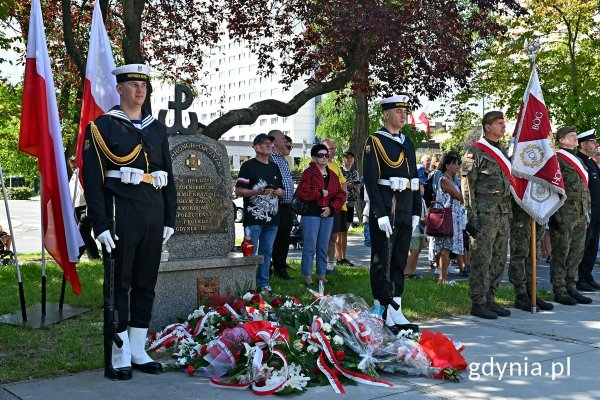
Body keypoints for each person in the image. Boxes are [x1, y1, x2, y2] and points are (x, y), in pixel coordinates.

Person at [82, 64, 177, 380]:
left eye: (143, 85)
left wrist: (169, 217)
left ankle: (138, 348)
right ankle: (119, 351)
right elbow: (93, 179)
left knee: (145, 283)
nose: (139, 90)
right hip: (119, 211)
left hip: (152, 211)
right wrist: (100, 224)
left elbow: (169, 176)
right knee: (119, 283)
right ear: (119, 88)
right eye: (133, 84)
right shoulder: (103, 126)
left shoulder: (156, 127)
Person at [363, 94, 421, 331]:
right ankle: (381, 308)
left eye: (405, 111)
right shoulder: (375, 142)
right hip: (388, 207)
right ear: (386, 114)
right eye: (398, 111)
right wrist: (380, 213)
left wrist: (417, 208)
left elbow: (414, 178)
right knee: (382, 259)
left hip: (406, 207)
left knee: (399, 258)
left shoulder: (407, 142)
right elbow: (371, 179)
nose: (403, 114)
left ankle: (396, 308)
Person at [462, 111, 512, 320]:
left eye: (503, 123)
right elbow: (467, 186)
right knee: (483, 259)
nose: (503, 127)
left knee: (499, 259)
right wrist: (471, 216)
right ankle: (479, 302)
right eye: (499, 123)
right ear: (487, 126)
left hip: (502, 214)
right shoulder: (474, 151)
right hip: (484, 214)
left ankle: (490, 299)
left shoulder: (501, 150)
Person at [235, 133, 283, 292]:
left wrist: (278, 192)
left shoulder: (274, 166)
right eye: (265, 143)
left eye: (270, 142)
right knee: (249, 252)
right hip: (253, 218)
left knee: (267, 252)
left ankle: (263, 283)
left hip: (273, 218)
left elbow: (281, 190)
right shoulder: (248, 166)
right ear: (256, 148)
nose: (269, 145)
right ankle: (246, 284)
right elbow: (239, 190)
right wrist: (258, 193)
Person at [549, 126, 592, 305]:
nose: (575, 138)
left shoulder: (579, 160)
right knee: (562, 252)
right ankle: (559, 289)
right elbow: (553, 187)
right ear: (562, 140)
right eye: (571, 136)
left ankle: (571, 286)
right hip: (565, 211)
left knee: (576, 252)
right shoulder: (557, 159)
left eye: (576, 136)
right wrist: (554, 213)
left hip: (581, 212)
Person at [296, 144, 346, 286]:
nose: (325, 157)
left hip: (328, 215)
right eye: (321, 155)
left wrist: (331, 208)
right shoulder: (308, 173)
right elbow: (302, 193)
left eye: (326, 155)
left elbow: (341, 195)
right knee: (310, 247)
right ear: (314, 157)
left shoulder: (333, 175)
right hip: (311, 214)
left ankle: (321, 275)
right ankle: (307, 275)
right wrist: (319, 193)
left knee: (323, 247)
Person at [508, 200, 554, 311]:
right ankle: (521, 294)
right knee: (520, 252)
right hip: (522, 206)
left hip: (538, 207)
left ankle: (531, 292)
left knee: (532, 253)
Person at [432, 151, 465, 285]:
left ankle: (444, 277)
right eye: (454, 164)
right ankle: (442, 278)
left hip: (454, 217)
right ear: (447, 166)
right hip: (447, 218)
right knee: (445, 248)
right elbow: (460, 196)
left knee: (449, 248)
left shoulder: (453, 179)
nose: (457, 166)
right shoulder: (445, 179)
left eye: (458, 163)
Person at [575, 129, 600, 291]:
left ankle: (587, 275)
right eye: (592, 142)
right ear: (583, 145)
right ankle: (580, 278)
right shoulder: (579, 162)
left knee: (592, 246)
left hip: (596, 212)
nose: (595, 145)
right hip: (586, 212)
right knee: (583, 247)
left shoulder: (590, 162)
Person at [268, 129, 294, 280]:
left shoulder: (283, 159)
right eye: (283, 138)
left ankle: (281, 268)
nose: (286, 141)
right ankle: (270, 268)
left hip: (286, 206)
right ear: (275, 140)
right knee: (274, 239)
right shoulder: (270, 158)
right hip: (275, 205)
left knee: (284, 238)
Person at [322, 139, 347, 274]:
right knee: (324, 238)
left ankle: (330, 266)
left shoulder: (336, 166)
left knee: (334, 237)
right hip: (325, 207)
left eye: (335, 148)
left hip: (337, 207)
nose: (333, 151)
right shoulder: (317, 165)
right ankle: (322, 266)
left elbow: (343, 183)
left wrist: (344, 195)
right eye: (330, 148)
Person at [68, 156, 100, 260]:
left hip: (86, 206)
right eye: (71, 164)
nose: (73, 166)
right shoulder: (74, 174)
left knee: (81, 234)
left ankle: (75, 258)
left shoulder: (84, 173)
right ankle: (94, 256)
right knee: (85, 233)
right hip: (77, 206)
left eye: (74, 163)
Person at [337, 150, 360, 266]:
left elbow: (358, 191)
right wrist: (346, 184)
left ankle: (343, 257)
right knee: (338, 231)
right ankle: (338, 258)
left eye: (351, 158)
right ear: (343, 159)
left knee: (345, 231)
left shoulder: (355, 172)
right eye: (347, 157)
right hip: (341, 203)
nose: (349, 160)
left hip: (351, 202)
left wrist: (356, 186)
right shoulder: (339, 170)